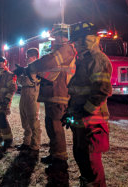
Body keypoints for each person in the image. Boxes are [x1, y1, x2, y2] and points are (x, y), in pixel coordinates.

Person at [17, 23, 76, 185]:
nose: (54, 40)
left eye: (56, 36)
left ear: (63, 36)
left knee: (56, 128)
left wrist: (29, 68)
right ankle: (54, 153)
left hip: (60, 94)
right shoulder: (61, 50)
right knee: (50, 125)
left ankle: (60, 159)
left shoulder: (65, 50)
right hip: (53, 94)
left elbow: (46, 62)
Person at [63, 22, 112, 186]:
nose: (75, 44)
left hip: (93, 119)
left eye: (78, 40)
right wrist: (69, 112)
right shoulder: (82, 60)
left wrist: (86, 111)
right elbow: (77, 90)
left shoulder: (98, 60)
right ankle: (87, 182)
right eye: (74, 41)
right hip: (80, 117)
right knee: (80, 153)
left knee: (91, 157)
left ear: (88, 39)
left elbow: (102, 90)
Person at [16, 48, 41, 156]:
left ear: (34, 57)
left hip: (32, 97)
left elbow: (27, 81)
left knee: (33, 122)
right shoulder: (27, 69)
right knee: (25, 121)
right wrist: (22, 75)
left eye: (28, 56)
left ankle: (35, 146)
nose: (26, 58)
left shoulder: (38, 68)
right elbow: (19, 81)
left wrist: (25, 76)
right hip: (24, 96)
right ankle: (26, 143)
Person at [0, 56, 17, 151]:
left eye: (2, 62)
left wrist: (7, 100)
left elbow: (13, 88)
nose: (0, 64)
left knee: (2, 120)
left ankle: (8, 140)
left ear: (5, 63)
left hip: (3, 102)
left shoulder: (9, 74)